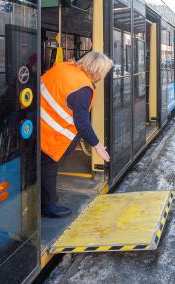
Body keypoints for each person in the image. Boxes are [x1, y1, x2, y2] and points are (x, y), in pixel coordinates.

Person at [41, 51, 113, 217]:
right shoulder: (83, 88)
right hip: (49, 133)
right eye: (103, 72)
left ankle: (44, 198)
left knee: (40, 164)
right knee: (49, 164)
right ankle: (48, 204)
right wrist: (97, 146)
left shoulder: (63, 68)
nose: (102, 77)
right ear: (96, 70)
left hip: (33, 122)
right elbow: (82, 122)